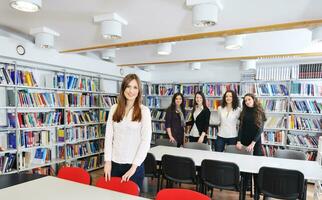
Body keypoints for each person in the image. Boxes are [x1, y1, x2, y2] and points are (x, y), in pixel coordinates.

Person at [104, 74, 152, 191]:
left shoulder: (144, 111)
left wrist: (134, 167)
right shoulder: (114, 108)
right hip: (114, 163)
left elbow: (145, 141)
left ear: (139, 90)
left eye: (135, 87)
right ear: (123, 88)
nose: (131, 91)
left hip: (133, 165)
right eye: (128, 86)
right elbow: (108, 137)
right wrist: (107, 161)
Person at [236, 93, 266, 200]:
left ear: (253, 99)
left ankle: (257, 193)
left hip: (255, 143)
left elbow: (260, 129)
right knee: (245, 169)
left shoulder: (260, 111)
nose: (247, 101)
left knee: (256, 169)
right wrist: (238, 141)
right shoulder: (243, 112)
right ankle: (244, 191)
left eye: (249, 99)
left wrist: (253, 143)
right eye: (245, 100)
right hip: (244, 143)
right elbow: (241, 128)